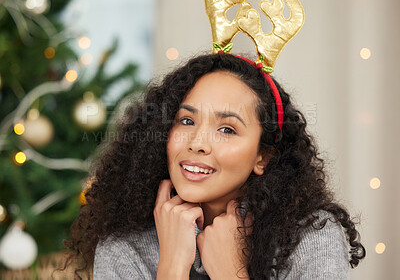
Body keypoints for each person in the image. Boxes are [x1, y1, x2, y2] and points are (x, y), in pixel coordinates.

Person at [58, 52, 365, 279]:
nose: (197, 143)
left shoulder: (311, 236)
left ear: (263, 156)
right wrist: (172, 267)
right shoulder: (126, 245)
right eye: (187, 121)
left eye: (227, 129)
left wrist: (231, 273)